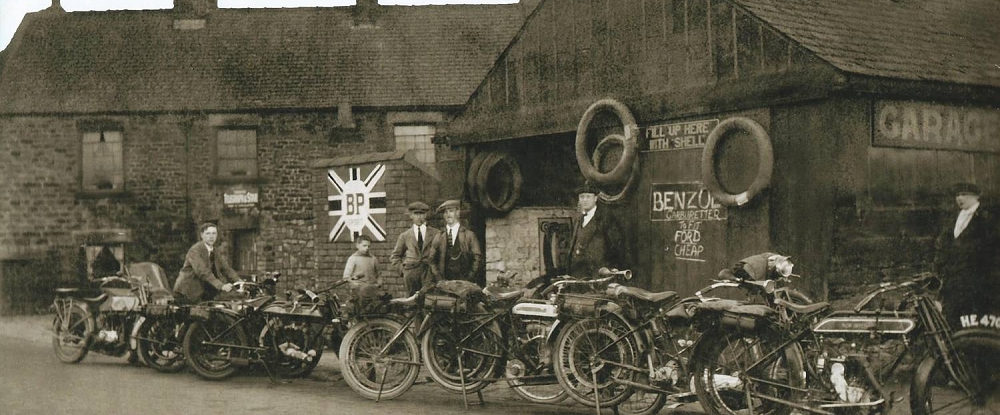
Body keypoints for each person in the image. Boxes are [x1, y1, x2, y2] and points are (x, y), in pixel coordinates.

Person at [933, 182, 1000, 329]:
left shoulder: (987, 218)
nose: (959, 198)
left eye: (964, 194)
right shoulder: (955, 218)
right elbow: (944, 245)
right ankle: (956, 348)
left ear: (976, 197)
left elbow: (991, 251)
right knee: (954, 317)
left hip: (978, 280)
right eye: (957, 195)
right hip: (955, 279)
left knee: (977, 319)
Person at [567, 182, 626, 279]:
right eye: (582, 197)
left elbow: (617, 245)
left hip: (597, 274)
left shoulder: (605, 218)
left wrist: (612, 268)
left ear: (595, 198)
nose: (585, 200)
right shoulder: (578, 220)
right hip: (578, 274)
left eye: (588, 197)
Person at [173, 223, 243, 303]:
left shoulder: (215, 251)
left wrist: (239, 281)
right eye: (208, 233)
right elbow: (202, 271)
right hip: (187, 292)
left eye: (214, 233)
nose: (211, 236)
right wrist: (221, 286)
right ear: (202, 235)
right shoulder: (195, 250)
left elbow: (226, 269)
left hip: (203, 291)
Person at [390, 202, 441, 295]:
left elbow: (440, 254)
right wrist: (404, 271)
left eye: (421, 214)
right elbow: (395, 256)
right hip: (411, 274)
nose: (419, 217)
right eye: (416, 214)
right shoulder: (405, 235)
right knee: (411, 303)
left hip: (428, 273)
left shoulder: (435, 233)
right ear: (411, 216)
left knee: (429, 300)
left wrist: (435, 272)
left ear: (425, 215)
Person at [432, 200, 483, 285]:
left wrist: (469, 278)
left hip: (465, 282)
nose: (448, 215)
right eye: (445, 212)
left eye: (451, 211)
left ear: (458, 213)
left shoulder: (469, 235)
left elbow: (477, 258)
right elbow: (431, 260)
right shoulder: (439, 236)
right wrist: (439, 278)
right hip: (445, 282)